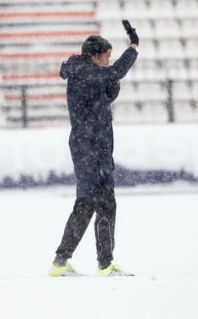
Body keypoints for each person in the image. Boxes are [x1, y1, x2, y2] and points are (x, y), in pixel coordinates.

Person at [49, 21, 139, 277]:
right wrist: (132, 47)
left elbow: (104, 97)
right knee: (103, 202)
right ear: (95, 55)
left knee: (88, 203)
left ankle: (61, 262)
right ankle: (103, 263)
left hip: (94, 145)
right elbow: (115, 73)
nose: (109, 61)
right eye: (107, 56)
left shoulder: (86, 73)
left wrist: (112, 87)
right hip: (90, 147)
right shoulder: (83, 71)